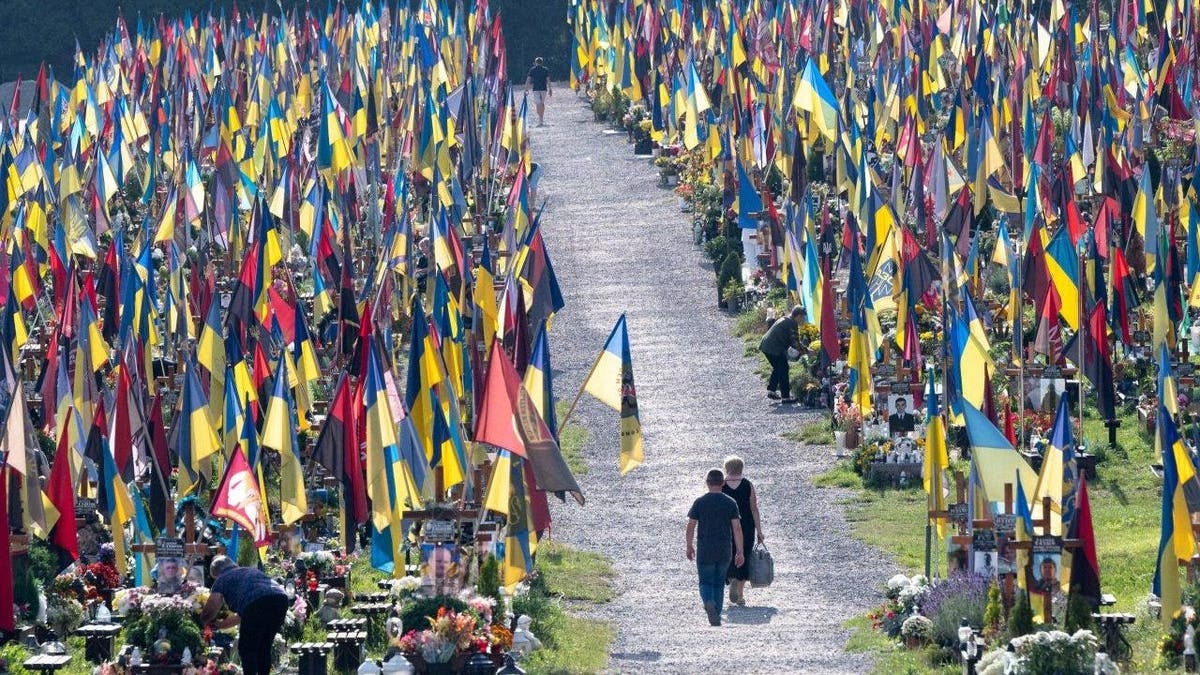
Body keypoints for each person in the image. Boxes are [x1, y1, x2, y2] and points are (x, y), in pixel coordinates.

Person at [201, 556, 290, 675]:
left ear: (217, 573)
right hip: (280, 599)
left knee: (246, 648)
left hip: (257, 604)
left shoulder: (222, 578)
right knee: (264, 646)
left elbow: (211, 608)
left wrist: (201, 622)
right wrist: (220, 625)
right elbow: (245, 614)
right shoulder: (250, 571)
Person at [686, 469, 744, 626]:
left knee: (705, 581)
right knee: (719, 582)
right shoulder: (730, 502)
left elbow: (691, 525)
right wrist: (740, 551)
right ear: (723, 483)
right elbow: (737, 528)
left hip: (705, 549)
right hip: (724, 549)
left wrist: (689, 545)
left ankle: (708, 602)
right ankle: (716, 613)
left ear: (707, 482)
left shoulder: (700, 502)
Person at [721, 456, 764, 606]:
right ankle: (739, 594)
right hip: (746, 525)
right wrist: (759, 531)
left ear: (726, 468)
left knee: (728, 553)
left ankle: (731, 576)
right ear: (741, 468)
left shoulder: (720, 485)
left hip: (726, 525)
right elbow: (754, 508)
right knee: (744, 555)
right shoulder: (747, 485)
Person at [759, 306, 805, 403]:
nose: (803, 320)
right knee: (783, 369)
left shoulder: (786, 319)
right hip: (773, 348)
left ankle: (772, 390)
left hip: (766, 345)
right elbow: (795, 343)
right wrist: (807, 351)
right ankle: (785, 397)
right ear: (798, 316)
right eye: (803, 317)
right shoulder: (791, 324)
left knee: (778, 367)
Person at [525, 57, 552, 126]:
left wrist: (526, 89)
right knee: (541, 104)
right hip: (543, 89)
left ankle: (540, 119)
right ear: (542, 62)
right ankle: (541, 119)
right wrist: (550, 89)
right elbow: (548, 80)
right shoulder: (545, 69)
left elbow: (528, 80)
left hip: (536, 89)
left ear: (535, 62)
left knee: (538, 104)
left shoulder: (532, 70)